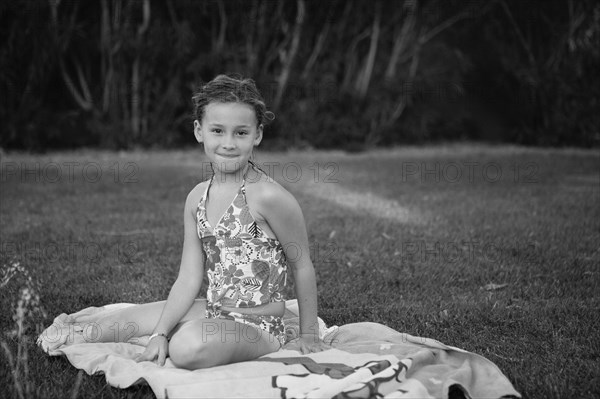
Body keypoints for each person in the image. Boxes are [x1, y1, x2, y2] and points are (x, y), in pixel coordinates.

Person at [39, 74, 329, 369]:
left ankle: (185, 338)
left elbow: (301, 264)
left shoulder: (269, 196)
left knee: (187, 348)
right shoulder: (197, 199)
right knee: (112, 325)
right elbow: (189, 278)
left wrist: (308, 334)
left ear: (257, 135)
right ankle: (169, 334)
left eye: (240, 133)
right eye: (217, 130)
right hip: (215, 311)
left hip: (260, 327)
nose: (228, 143)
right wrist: (158, 333)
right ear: (199, 131)